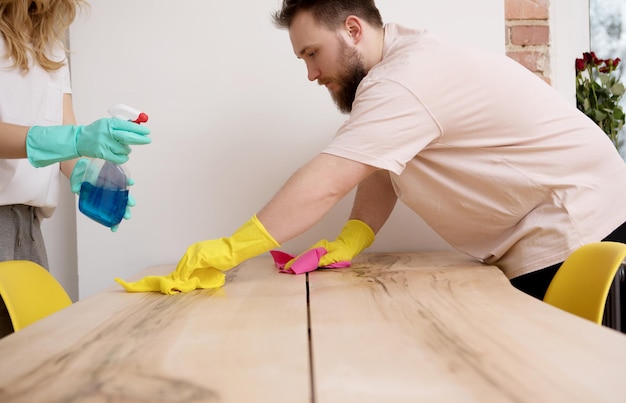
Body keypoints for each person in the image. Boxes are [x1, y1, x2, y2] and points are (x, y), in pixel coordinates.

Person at [118, 0, 626, 313]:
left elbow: (329, 179)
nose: (310, 74)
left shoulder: (404, 80)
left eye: (312, 53)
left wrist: (227, 251)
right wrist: (352, 237)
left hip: (580, 228)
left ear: (353, 29)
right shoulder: (399, 66)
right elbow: (380, 162)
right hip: (566, 222)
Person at [0, 0, 151, 337]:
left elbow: (63, 130)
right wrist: (76, 138)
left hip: (27, 227)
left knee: (30, 355)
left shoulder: (49, 44)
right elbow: (63, 136)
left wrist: (85, 170)